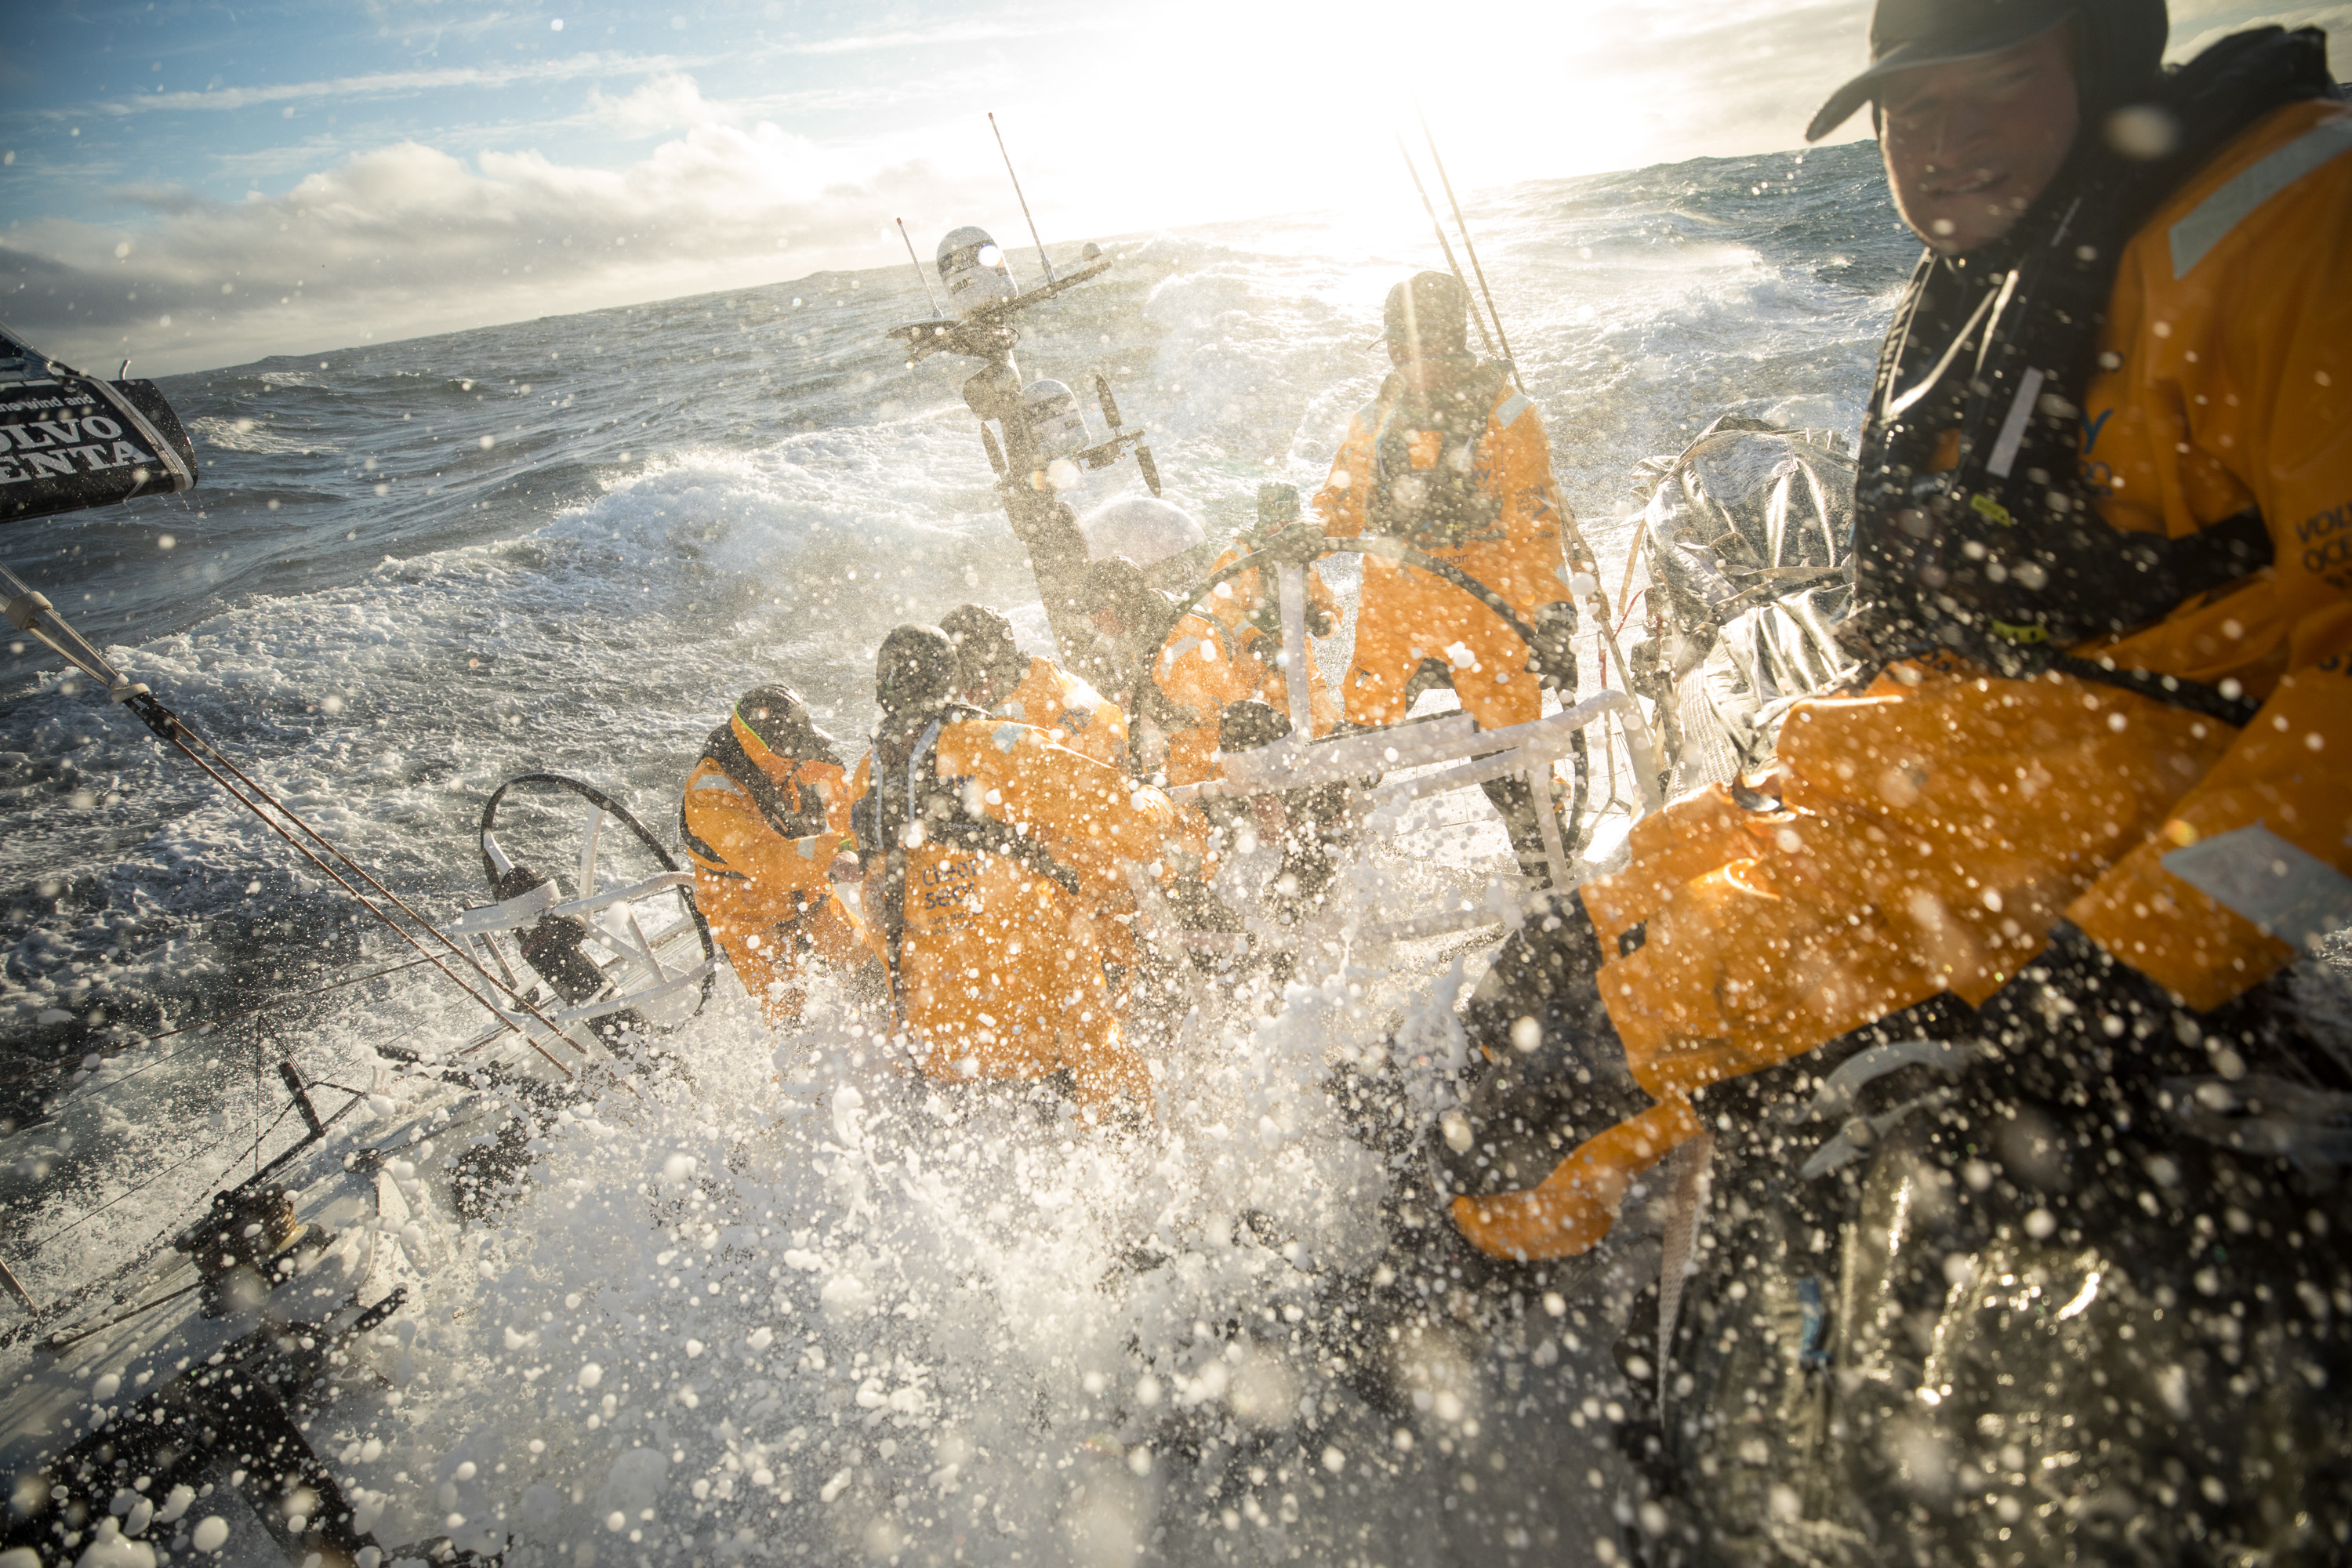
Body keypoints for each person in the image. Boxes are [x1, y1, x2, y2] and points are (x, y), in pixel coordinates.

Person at [1436, 2, 2351, 1558]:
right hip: (1898, 797)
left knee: (1537, 1076)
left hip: (2050, 852)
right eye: (1905, 111)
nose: (1943, 143)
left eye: (1996, 84)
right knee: (1547, 970)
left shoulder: (2280, 229)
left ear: (2107, 64)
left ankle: (1538, 1394)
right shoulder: (1995, 280)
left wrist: (2138, 963)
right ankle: (1502, 1299)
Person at [851, 623, 1192, 1118]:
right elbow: (1124, 817)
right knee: (1123, 1099)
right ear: (952, 681)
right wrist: (1160, 804)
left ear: (883, 691)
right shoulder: (998, 743)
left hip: (931, 1048)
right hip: (1039, 1032)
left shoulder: (866, 777)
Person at [1311, 270, 1584, 882]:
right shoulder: (1382, 416)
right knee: (1355, 761)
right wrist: (1306, 529)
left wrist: (1550, 613)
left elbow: (1534, 525)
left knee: (1510, 767)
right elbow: (1339, 504)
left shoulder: (1502, 413)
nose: (1410, 357)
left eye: (1415, 342)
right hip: (1406, 622)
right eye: (1403, 345)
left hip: (1474, 619)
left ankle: (1553, 884)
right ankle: (1304, 893)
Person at [678, 685, 875, 1026]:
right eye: (790, 748)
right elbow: (767, 857)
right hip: (752, 925)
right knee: (794, 1025)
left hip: (812, 899)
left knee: (873, 971)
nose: (799, 755)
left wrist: (867, 842)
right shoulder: (709, 790)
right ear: (762, 743)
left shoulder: (793, 753)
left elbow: (844, 802)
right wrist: (832, 856)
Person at [1200, 481, 1342, 739]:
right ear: (1262, 518)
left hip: (1302, 672)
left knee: (1330, 735)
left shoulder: (1303, 558)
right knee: (1272, 747)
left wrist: (1325, 623)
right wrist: (1256, 640)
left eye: (1288, 521)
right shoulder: (1239, 556)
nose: (1281, 528)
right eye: (1275, 520)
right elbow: (1221, 606)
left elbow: (1331, 607)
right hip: (1252, 679)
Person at [939, 601, 1129, 771]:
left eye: (966, 681)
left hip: (1102, 799)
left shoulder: (1006, 718)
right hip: (1129, 780)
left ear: (978, 666)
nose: (967, 694)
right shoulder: (1046, 671)